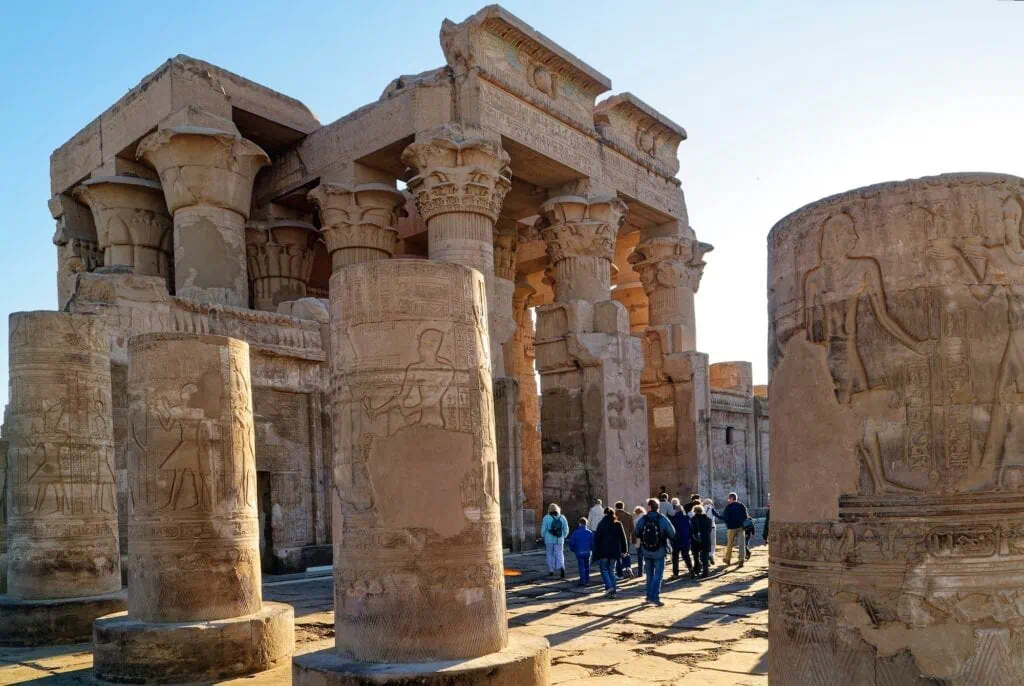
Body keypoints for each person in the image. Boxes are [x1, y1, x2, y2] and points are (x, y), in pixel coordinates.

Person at [634, 498, 676, 605]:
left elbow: (636, 532)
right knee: (658, 575)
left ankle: (648, 596)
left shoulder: (643, 519)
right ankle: (655, 597)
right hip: (659, 550)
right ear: (658, 507)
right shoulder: (663, 519)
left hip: (646, 550)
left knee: (649, 575)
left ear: (649, 507)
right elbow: (672, 533)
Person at [594, 507, 629, 597]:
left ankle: (609, 587)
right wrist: (624, 550)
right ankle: (613, 593)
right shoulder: (618, 524)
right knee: (611, 571)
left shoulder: (601, 524)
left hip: (603, 551)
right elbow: (623, 538)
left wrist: (595, 553)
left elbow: (597, 540)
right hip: (614, 552)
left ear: (604, 514)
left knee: (604, 570)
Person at [722, 492, 750, 566]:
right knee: (742, 544)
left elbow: (725, 517)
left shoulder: (728, 507)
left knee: (730, 544)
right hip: (741, 527)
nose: (728, 500)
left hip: (731, 528)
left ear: (731, 498)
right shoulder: (741, 505)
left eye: (729, 499)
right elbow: (746, 516)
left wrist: (728, 524)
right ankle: (741, 560)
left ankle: (727, 559)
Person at [541, 503, 569, 578]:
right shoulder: (562, 517)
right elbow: (566, 529)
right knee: (559, 553)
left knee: (549, 554)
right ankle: (562, 567)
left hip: (549, 539)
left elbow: (543, 529)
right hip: (559, 539)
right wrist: (563, 536)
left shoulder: (546, 517)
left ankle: (551, 570)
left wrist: (543, 535)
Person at [567, 517, 594, 586]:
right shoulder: (590, 532)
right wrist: (592, 549)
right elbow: (593, 543)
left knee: (581, 566)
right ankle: (587, 579)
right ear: (586, 524)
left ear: (579, 524)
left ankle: (583, 581)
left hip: (579, 552)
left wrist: (573, 549)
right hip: (587, 552)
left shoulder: (576, 532)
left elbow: (571, 542)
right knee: (587, 566)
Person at [670, 502, 695, 578]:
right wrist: (690, 539)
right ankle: (691, 570)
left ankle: (675, 573)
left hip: (676, 541)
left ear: (676, 511)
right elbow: (691, 529)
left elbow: (671, 530)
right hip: (685, 541)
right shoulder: (687, 518)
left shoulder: (673, 519)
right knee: (686, 556)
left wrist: (671, 538)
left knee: (675, 558)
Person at [692, 504, 714, 578]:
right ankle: (705, 573)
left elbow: (692, 530)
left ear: (694, 511)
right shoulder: (708, 520)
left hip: (696, 540)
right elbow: (710, 530)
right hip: (706, 539)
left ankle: (697, 569)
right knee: (704, 557)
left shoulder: (693, 520)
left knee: (696, 556)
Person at [613, 501, 634, 578]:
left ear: (616, 507)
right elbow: (632, 528)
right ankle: (628, 567)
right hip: (626, 538)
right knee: (626, 554)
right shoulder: (629, 515)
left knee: (618, 557)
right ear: (623, 507)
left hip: (616, 539)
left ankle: (619, 574)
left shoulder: (614, 515)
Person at [632, 506, 647, 577]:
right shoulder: (647, 518)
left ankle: (640, 572)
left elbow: (634, 531)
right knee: (648, 556)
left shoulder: (635, 520)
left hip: (638, 540)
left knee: (640, 557)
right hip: (647, 539)